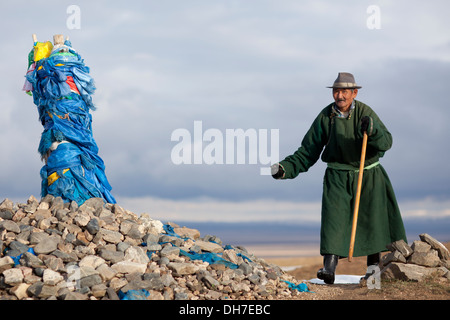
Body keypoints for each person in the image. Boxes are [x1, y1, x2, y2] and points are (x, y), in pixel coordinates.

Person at [271, 72, 407, 284]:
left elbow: (386, 141)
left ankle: (373, 271)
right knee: (333, 220)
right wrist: (285, 168)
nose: (339, 95)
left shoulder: (365, 112)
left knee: (373, 221)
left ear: (354, 93)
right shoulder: (326, 116)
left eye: (344, 91)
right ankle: (329, 268)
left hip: (368, 173)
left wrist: (373, 130)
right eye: (336, 91)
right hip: (337, 175)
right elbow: (308, 150)